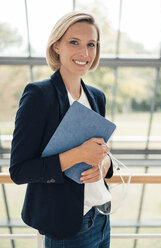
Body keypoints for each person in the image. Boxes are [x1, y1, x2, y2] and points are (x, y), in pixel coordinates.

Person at [10, 11, 113, 248]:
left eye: (91, 45)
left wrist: (105, 163)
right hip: (70, 226)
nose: (84, 53)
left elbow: (99, 149)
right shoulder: (39, 95)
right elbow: (19, 170)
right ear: (57, 46)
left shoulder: (97, 97)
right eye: (74, 42)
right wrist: (78, 155)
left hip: (102, 218)